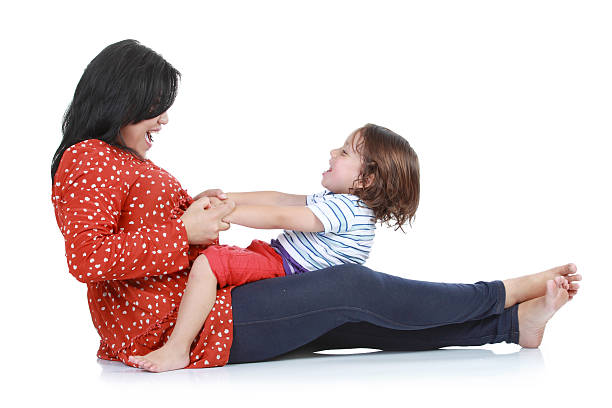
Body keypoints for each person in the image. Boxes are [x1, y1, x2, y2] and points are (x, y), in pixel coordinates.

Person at [51, 39, 582, 371]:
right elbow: (87, 261)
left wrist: (209, 211)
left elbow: (265, 208)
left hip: (208, 304)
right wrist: (187, 233)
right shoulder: (87, 158)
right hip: (180, 324)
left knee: (351, 316)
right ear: (119, 97)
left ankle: (510, 327)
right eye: (154, 108)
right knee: (353, 286)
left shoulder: (123, 160)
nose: (163, 120)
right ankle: (503, 293)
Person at [128, 123, 420, 372]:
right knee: (213, 261)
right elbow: (281, 199)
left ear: (367, 179)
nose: (333, 153)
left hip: (287, 271)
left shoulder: (348, 209)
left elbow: (282, 216)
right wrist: (227, 198)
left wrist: (223, 214)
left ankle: (177, 348)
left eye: (344, 152)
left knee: (210, 262)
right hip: (279, 260)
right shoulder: (340, 203)